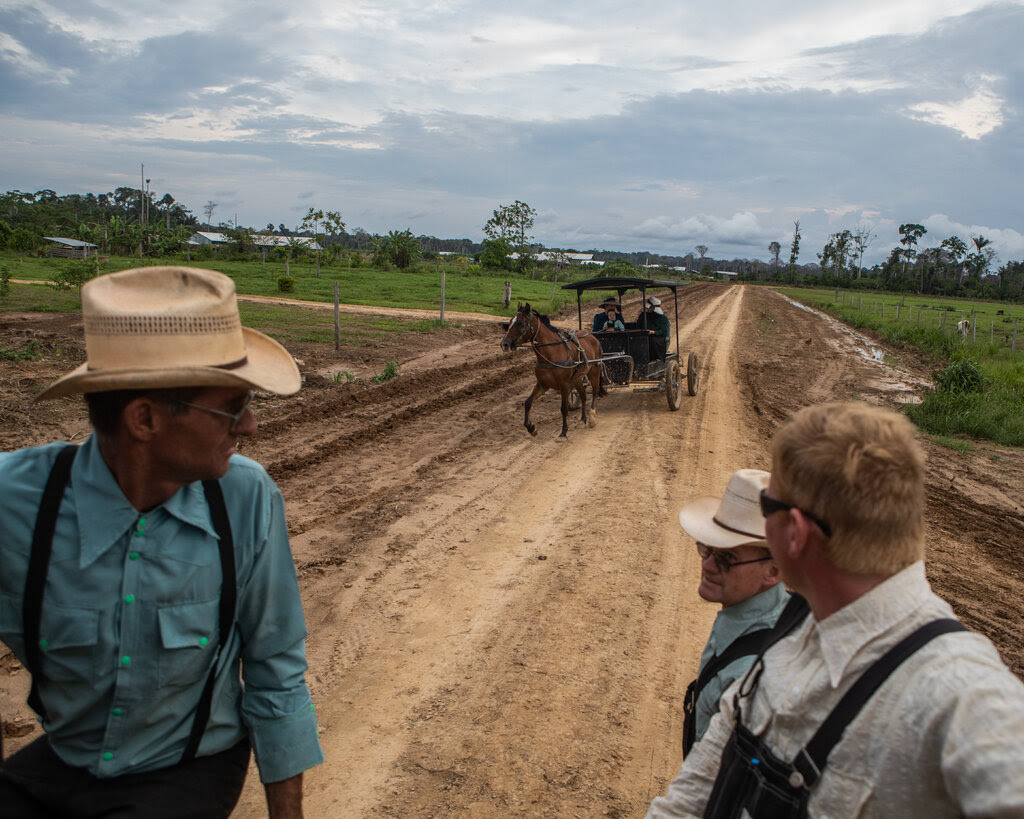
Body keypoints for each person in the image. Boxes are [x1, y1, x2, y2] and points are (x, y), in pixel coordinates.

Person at [0, 266, 324, 818]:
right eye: (230, 406)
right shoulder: (15, 502)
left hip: (188, 766)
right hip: (63, 760)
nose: (248, 426)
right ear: (144, 419)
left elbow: (275, 670)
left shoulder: (245, 500)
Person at [647, 402, 1024, 818]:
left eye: (766, 506)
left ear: (793, 534)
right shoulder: (796, 629)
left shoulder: (962, 693)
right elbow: (691, 797)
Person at [677, 469, 788, 755]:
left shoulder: (746, 680)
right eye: (707, 549)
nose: (708, 565)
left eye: (727, 558)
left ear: (773, 571)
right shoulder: (779, 615)